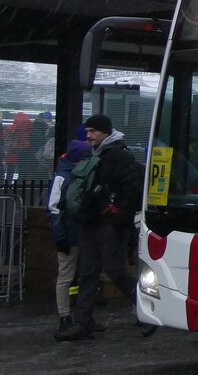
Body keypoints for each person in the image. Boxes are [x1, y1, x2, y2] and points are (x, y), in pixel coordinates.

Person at [55, 114, 143, 342]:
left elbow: (131, 189)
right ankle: (83, 323)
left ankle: (149, 307)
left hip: (107, 223)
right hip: (93, 221)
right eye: (87, 132)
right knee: (89, 271)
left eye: (93, 131)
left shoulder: (118, 155)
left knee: (114, 270)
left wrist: (117, 217)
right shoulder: (99, 153)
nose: (89, 136)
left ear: (105, 131)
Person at [47, 137, 91, 334]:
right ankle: (65, 316)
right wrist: (61, 238)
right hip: (73, 234)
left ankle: (68, 316)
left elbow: (54, 210)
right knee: (67, 277)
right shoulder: (67, 176)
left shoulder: (64, 175)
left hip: (73, 234)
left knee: (67, 276)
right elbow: (54, 210)